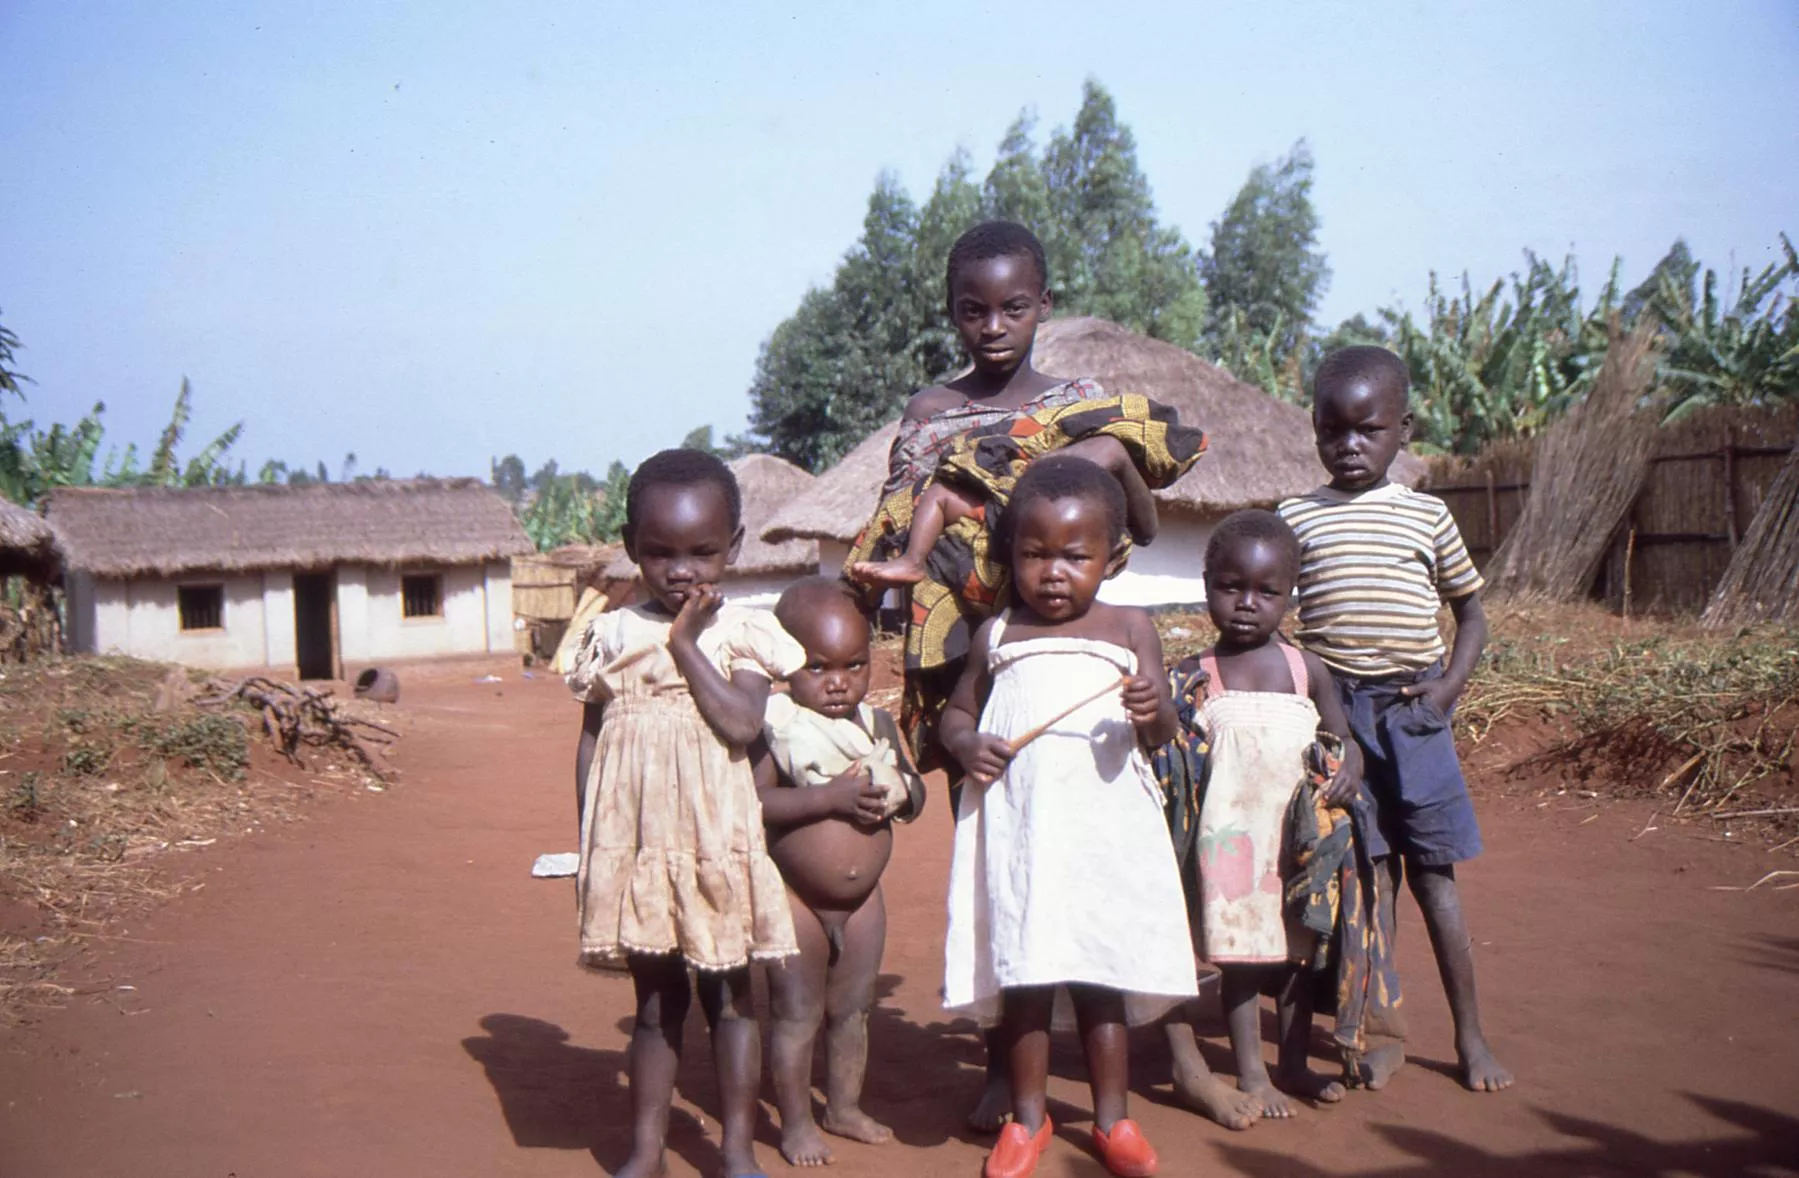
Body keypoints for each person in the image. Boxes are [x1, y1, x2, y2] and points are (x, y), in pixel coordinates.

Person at [845, 220, 1205, 1130]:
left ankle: (1182, 1060)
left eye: (1013, 307)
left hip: (1079, 652)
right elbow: (902, 528)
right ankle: (1012, 1080)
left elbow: (1142, 526)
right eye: (973, 311)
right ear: (952, 314)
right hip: (982, 653)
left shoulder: (1085, 404)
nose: (993, 326)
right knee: (1009, 867)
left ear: (1043, 305)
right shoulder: (930, 413)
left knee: (1111, 861)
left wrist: (1103, 474)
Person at [941, 457, 1196, 1178]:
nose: (1052, 572)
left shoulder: (1127, 628)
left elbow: (1162, 730)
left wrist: (1153, 712)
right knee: (1025, 974)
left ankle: (1112, 1119)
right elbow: (957, 713)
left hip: (1101, 834)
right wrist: (967, 743)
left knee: (1097, 973)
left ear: (1110, 559)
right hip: (1020, 834)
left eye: (1073, 557)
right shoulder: (996, 636)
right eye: (1033, 554)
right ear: (1009, 554)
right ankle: (1028, 1119)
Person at [1278, 345, 1513, 1094]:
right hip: (1337, 718)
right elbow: (1277, 622)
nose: (1348, 446)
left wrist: (1447, 689)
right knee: (1367, 880)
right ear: (1314, 429)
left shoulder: (1427, 515)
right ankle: (1379, 1035)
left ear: (1402, 429)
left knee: (1435, 882)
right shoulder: (1295, 518)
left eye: (1366, 430)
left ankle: (1470, 1035)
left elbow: (1471, 613)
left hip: (1413, 715)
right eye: (1331, 431)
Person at [567, 449, 806, 1178]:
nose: (682, 572)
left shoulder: (743, 632)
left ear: (733, 546)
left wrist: (681, 643)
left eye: (702, 553)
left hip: (718, 845)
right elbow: (590, 740)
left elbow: (738, 724)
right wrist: (593, 843)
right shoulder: (607, 636)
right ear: (631, 546)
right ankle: (646, 1151)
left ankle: (734, 1148)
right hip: (640, 850)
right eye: (659, 554)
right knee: (653, 1007)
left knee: (731, 1001)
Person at [1171, 510, 1365, 1116]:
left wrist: (1351, 766)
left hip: (1299, 846)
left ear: (1291, 595)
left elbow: (1343, 741)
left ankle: (1295, 1063)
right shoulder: (1195, 679)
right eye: (1231, 587)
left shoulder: (1308, 671)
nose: (1247, 604)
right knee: (1242, 960)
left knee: (1296, 960)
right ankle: (1252, 1074)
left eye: (1267, 591)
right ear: (1207, 585)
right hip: (1231, 848)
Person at [753, 577, 926, 1168]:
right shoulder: (773, 726)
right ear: (784, 665)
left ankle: (844, 1106)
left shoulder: (876, 724)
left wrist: (901, 792)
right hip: (796, 898)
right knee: (797, 1014)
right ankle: (796, 1122)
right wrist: (827, 800)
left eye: (854, 666)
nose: (838, 683)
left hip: (863, 903)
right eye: (818, 667)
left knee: (853, 1010)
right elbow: (755, 805)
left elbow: (917, 788)